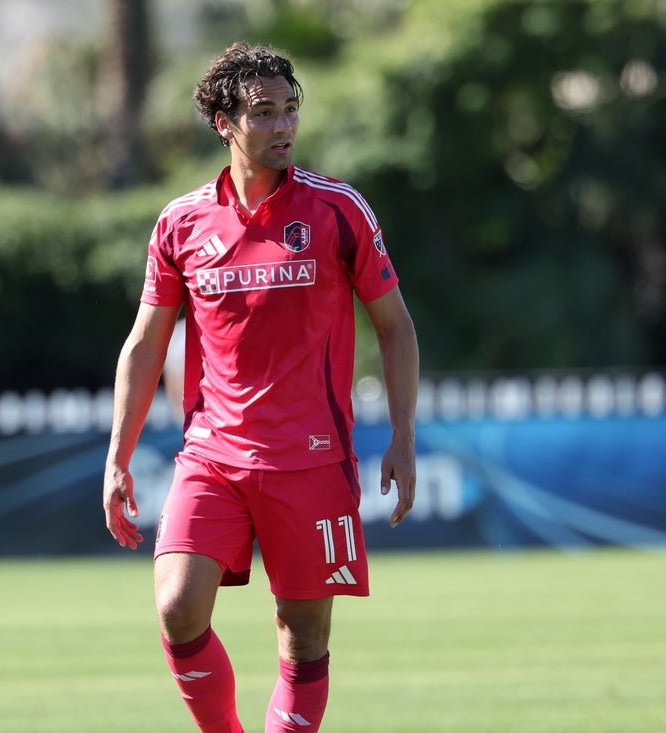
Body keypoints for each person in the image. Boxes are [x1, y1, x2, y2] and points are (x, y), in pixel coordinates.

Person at [103, 41, 419, 733]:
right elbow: (146, 343)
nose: (283, 125)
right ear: (224, 123)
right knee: (177, 606)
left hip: (310, 459)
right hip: (212, 455)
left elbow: (396, 328)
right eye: (264, 112)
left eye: (290, 109)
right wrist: (117, 456)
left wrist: (402, 436)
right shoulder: (181, 222)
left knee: (301, 638)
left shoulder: (337, 209)